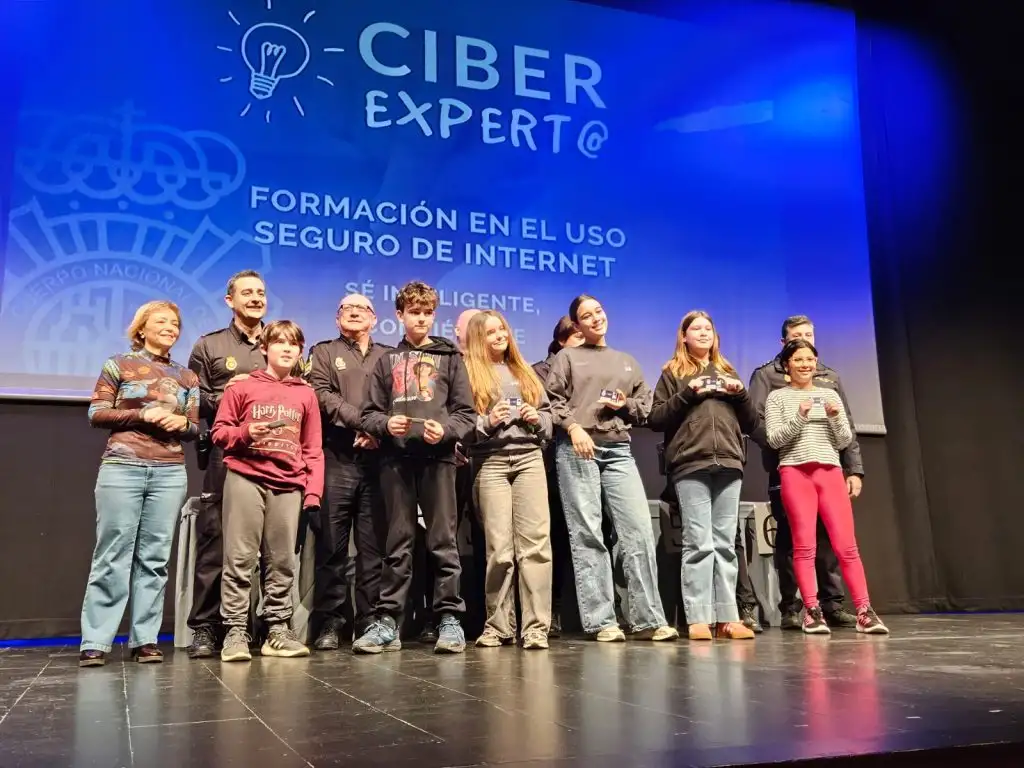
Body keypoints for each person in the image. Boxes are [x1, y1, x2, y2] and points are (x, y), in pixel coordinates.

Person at [353, 281, 477, 654]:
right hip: (397, 461)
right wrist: (385, 424)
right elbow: (368, 414)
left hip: (438, 460)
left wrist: (447, 431)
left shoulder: (449, 358)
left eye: (427, 313)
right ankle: (389, 621)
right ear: (400, 315)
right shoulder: (386, 360)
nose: (421, 319)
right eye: (414, 312)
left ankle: (449, 619)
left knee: (443, 541)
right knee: (398, 542)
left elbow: (466, 414)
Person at [545, 294, 677, 642]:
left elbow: (645, 407)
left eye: (599, 311)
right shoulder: (567, 358)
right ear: (577, 325)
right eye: (586, 315)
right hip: (579, 448)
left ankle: (648, 619)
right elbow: (552, 402)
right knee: (588, 535)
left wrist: (624, 404)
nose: (595, 318)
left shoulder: (626, 361)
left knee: (638, 532)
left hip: (618, 449)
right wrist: (573, 428)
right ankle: (602, 621)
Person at [79, 301, 199, 667]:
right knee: (112, 553)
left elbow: (194, 426)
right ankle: (96, 640)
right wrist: (141, 414)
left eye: (175, 323)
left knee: (155, 557)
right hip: (123, 466)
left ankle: (145, 639)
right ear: (141, 328)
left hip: (169, 471)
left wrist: (184, 425)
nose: (170, 327)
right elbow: (96, 413)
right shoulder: (119, 364)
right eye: (161, 321)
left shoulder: (187, 377)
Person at [212, 320, 325, 661]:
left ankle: (277, 628)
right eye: (279, 342)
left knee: (282, 560)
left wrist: (313, 492)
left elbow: (313, 448)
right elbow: (220, 433)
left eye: (294, 344)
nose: (287, 349)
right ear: (264, 348)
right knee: (240, 557)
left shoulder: (305, 393)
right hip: (246, 477)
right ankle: (235, 630)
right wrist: (246, 432)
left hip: (289, 483)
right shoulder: (242, 387)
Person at [764, 339, 887, 635]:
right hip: (795, 472)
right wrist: (800, 416)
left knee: (847, 546)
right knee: (804, 546)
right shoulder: (777, 398)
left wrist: (833, 418)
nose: (805, 364)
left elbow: (844, 440)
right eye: (798, 359)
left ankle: (864, 611)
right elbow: (775, 440)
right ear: (787, 365)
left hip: (830, 472)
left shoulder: (829, 394)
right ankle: (812, 611)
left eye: (810, 359)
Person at [748, 316, 863, 630]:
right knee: (792, 538)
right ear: (784, 343)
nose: (804, 342)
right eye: (797, 336)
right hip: (788, 467)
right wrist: (789, 449)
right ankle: (793, 607)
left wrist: (854, 469)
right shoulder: (767, 376)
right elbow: (757, 424)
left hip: (828, 466)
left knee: (832, 539)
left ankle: (832, 604)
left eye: (809, 335)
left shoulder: (829, 378)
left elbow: (846, 427)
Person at [649, 311, 758, 641]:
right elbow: (656, 418)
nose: (702, 333)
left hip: (729, 461)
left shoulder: (728, 371)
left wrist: (740, 394)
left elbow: (752, 423)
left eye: (707, 328)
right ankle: (698, 616)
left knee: (725, 543)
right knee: (699, 542)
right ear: (683, 337)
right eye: (695, 328)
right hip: (690, 463)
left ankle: (728, 617)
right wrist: (688, 393)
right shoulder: (672, 373)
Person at [186, 270, 269, 658]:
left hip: (274, 453)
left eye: (260, 292)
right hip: (227, 451)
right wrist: (232, 398)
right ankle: (206, 626)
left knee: (269, 546)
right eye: (247, 292)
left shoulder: (280, 342)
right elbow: (193, 400)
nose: (255, 298)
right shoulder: (210, 345)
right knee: (216, 539)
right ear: (229, 300)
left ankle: (263, 626)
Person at [464, 310, 553, 650]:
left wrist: (537, 419)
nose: (500, 335)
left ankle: (536, 627)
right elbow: (461, 423)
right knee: (499, 549)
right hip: (490, 461)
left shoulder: (523, 369)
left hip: (529, 458)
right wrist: (487, 422)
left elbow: (549, 417)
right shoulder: (468, 373)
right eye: (491, 332)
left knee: (535, 546)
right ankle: (499, 626)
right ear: (478, 339)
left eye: (502, 329)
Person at [306, 294, 391, 650]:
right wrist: (365, 423)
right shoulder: (323, 351)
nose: (354, 312)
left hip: (380, 459)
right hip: (337, 456)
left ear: (375, 318)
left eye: (362, 308)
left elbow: (397, 401)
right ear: (337, 318)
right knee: (332, 546)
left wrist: (377, 431)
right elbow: (322, 395)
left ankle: (369, 620)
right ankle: (330, 622)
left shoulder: (389, 354)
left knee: (373, 548)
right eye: (346, 308)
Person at [532, 316, 583, 636]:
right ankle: (550, 610)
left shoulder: (594, 366)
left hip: (587, 458)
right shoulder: (538, 372)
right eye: (577, 336)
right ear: (562, 341)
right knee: (553, 539)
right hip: (550, 463)